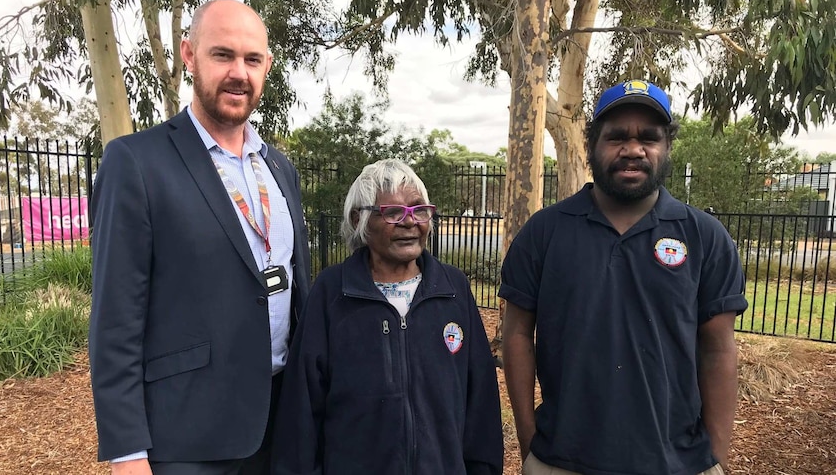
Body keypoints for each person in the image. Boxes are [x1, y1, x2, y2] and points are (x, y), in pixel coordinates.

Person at [88, 0, 311, 475]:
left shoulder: (280, 169)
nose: (239, 73)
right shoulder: (136, 164)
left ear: (267, 66)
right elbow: (115, 323)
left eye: (252, 60)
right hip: (186, 438)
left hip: (282, 425)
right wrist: (127, 454)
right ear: (189, 55)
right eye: (222, 55)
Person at [500, 80, 748, 475]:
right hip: (561, 462)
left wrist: (715, 454)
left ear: (667, 147)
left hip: (678, 463)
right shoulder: (544, 232)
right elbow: (516, 335)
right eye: (617, 137)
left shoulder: (704, 236)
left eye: (649, 138)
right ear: (592, 144)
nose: (633, 149)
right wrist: (529, 441)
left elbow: (718, 349)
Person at [272, 159, 503, 475]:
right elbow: (301, 409)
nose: (410, 223)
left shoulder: (452, 289)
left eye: (419, 210)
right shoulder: (332, 293)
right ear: (359, 221)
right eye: (393, 213)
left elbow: (481, 403)